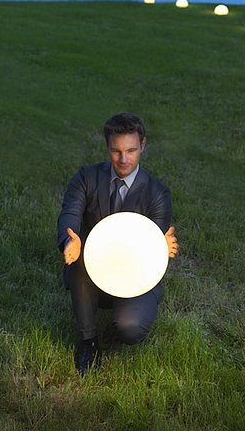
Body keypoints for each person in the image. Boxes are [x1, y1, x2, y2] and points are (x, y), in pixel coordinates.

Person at [57, 112, 178, 375]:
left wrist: (159, 245)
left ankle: (121, 320)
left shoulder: (157, 193)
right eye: (116, 151)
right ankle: (88, 341)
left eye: (131, 150)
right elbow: (70, 213)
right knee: (82, 253)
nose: (123, 159)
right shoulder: (86, 178)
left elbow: (152, 243)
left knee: (130, 328)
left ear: (143, 145)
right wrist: (70, 239)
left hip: (136, 276)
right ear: (107, 147)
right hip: (92, 269)